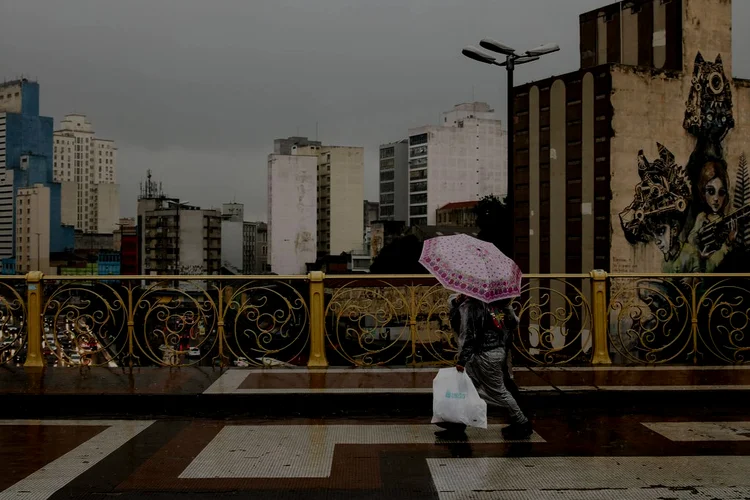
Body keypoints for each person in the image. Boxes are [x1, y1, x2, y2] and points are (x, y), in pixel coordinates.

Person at [436, 294, 532, 440]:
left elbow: (471, 336)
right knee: (466, 388)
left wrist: (462, 360)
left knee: (499, 391)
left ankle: (522, 422)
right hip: (493, 352)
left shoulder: (476, 306)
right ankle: (456, 425)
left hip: (484, 355)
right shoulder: (497, 303)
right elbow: (511, 324)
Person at [687, 160, 736, 272]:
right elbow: (691, 239)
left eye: (721, 192)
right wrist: (699, 251)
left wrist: (729, 242)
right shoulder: (702, 217)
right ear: (703, 192)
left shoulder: (726, 220)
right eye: (711, 191)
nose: (716, 198)